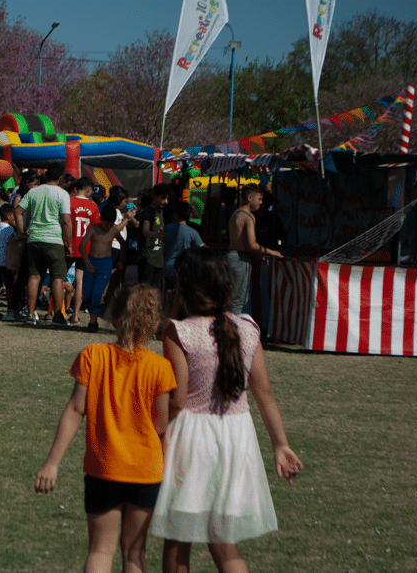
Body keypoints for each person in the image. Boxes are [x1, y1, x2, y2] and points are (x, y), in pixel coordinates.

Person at [151, 247, 303, 573]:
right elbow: (264, 393)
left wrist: (155, 433)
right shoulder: (247, 327)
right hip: (237, 435)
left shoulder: (178, 330)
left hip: (191, 436)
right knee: (222, 537)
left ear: (184, 287)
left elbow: (176, 400)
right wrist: (280, 444)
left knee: (178, 540)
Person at [35, 284, 176, 573]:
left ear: (114, 317)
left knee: (100, 550)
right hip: (145, 471)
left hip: (103, 468)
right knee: (134, 553)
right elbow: (162, 424)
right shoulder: (161, 367)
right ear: (153, 322)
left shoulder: (92, 355)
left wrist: (52, 463)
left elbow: (75, 410)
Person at [14, 163, 72, 326]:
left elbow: (17, 212)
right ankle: (58, 316)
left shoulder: (33, 191)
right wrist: (70, 243)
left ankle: (31, 313)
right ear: (60, 178)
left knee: (34, 276)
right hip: (54, 239)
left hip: (34, 238)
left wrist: (22, 232)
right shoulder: (62, 194)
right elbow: (66, 220)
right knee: (57, 278)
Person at [78, 202, 135, 332]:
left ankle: (93, 321)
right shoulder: (93, 229)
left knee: (97, 294)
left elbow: (122, 244)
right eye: (106, 223)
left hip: (105, 263)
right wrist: (87, 263)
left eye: (111, 224)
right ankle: (92, 314)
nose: (108, 226)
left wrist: (121, 261)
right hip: (91, 261)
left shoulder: (113, 231)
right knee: (87, 294)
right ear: (101, 219)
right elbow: (82, 246)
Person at [227, 185, 283, 315]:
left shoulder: (236, 213)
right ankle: (232, 333)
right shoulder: (248, 216)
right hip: (240, 260)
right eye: (259, 199)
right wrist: (272, 252)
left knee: (231, 300)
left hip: (232, 257)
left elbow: (243, 244)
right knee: (238, 301)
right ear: (249, 197)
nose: (261, 202)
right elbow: (252, 245)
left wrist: (259, 256)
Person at [69, 177, 99, 324]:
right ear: (88, 189)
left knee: (58, 278)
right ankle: (75, 314)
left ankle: (55, 311)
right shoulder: (93, 206)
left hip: (69, 244)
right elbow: (96, 228)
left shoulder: (69, 202)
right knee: (80, 281)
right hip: (85, 248)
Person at [137, 183, 170, 292]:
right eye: (163, 198)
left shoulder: (161, 212)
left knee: (155, 290)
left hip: (158, 258)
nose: (166, 201)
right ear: (155, 195)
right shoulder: (147, 211)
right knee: (144, 289)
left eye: (167, 198)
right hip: (147, 257)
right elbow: (145, 231)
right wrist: (155, 235)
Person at [163, 201, 204, 283]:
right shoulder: (193, 233)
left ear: (175, 214)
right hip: (184, 269)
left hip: (167, 269)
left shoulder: (166, 229)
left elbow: (162, 248)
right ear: (190, 215)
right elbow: (202, 249)